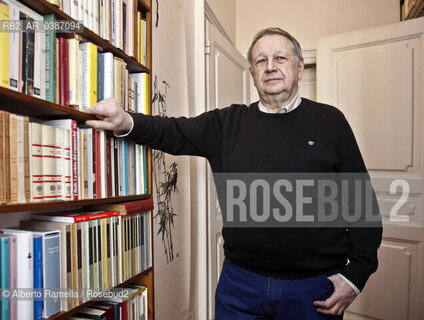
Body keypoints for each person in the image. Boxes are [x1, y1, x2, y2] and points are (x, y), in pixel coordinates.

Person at [86, 27, 382, 320]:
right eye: (260, 61)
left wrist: (356, 275)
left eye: (280, 58)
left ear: (300, 67)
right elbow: (172, 131)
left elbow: (362, 205)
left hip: (313, 290)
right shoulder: (226, 124)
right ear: (253, 73)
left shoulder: (330, 122)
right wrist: (126, 121)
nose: (270, 67)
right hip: (240, 286)